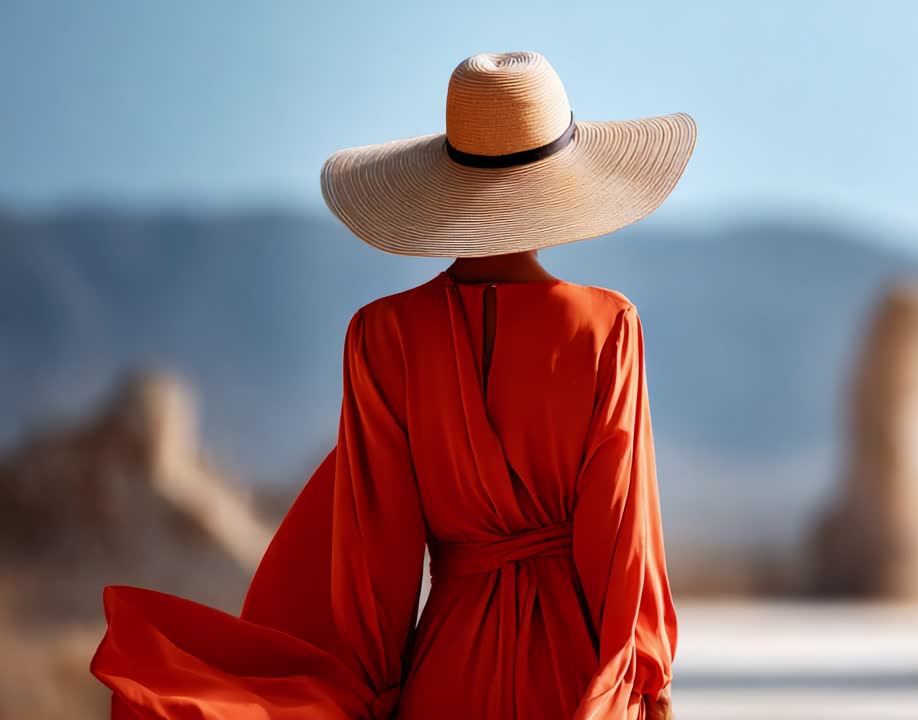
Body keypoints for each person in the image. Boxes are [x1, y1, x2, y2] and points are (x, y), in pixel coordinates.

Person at [90, 50, 696, 719]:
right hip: (572, 678)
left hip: (443, 676)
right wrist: (647, 681)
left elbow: (376, 564)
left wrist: (372, 697)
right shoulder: (608, 328)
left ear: (447, 179)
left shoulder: (383, 336)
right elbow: (622, 537)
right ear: (559, 180)